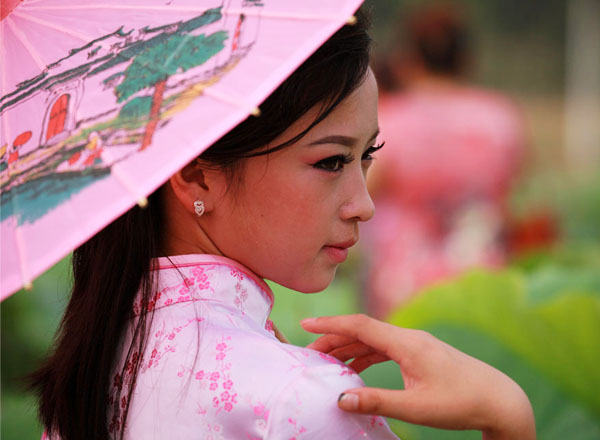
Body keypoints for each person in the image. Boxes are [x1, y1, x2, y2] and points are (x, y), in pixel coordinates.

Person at [30, 9, 534, 440]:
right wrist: (507, 415)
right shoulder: (301, 400)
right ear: (197, 175)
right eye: (332, 162)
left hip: (406, 272)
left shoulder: (93, 371)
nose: (364, 205)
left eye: (368, 156)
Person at [363, 4, 525, 318]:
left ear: (407, 58)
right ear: (466, 59)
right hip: (480, 277)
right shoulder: (502, 118)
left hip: (403, 285)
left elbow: (363, 191)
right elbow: (513, 198)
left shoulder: (389, 119)